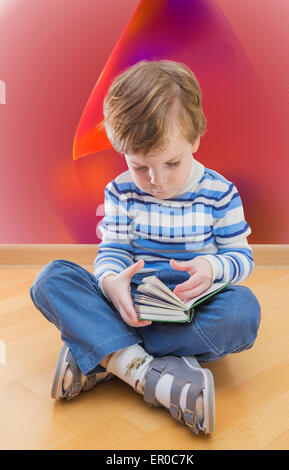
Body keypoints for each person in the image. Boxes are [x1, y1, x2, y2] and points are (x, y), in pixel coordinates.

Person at [29, 60, 261, 435]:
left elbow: (240, 256)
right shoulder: (121, 190)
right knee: (51, 279)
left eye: (171, 163)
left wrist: (212, 268)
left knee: (243, 311)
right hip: (130, 303)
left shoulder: (220, 193)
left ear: (195, 140)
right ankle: (149, 369)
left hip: (189, 307)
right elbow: (113, 250)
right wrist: (109, 282)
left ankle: (105, 354)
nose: (156, 180)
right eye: (140, 167)